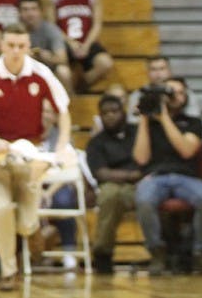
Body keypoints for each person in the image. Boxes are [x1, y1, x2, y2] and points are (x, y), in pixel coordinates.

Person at [0, 23, 72, 291]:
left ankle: (34, 233)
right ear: (2, 46)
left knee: (27, 220)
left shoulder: (41, 74)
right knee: (0, 210)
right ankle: (9, 271)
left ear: (28, 46)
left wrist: (60, 148)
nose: (16, 51)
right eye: (11, 46)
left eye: (21, 46)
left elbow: (64, 111)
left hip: (30, 155)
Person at [132, 77, 202, 275]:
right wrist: (145, 119)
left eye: (180, 92)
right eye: (170, 91)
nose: (175, 96)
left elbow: (186, 151)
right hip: (155, 176)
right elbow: (141, 158)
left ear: (186, 97)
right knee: (143, 199)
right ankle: (157, 253)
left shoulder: (193, 123)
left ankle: (201, 253)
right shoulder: (149, 124)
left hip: (186, 177)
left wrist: (164, 118)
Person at [44, 0, 114, 89]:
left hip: (86, 41)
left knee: (106, 63)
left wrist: (86, 45)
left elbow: (97, 24)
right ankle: (70, 99)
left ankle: (80, 86)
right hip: (64, 42)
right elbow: (52, 27)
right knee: (62, 72)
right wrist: (70, 43)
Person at [86, 93, 140, 274]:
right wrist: (131, 175)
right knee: (110, 195)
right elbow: (101, 172)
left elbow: (147, 163)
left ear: (123, 112)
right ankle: (102, 253)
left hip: (139, 185)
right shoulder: (96, 142)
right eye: (105, 113)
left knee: (151, 194)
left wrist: (136, 176)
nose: (110, 116)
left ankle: (165, 250)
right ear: (100, 116)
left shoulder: (138, 133)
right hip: (111, 185)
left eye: (114, 111)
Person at [19, 0, 74, 94]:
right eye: (25, 10)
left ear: (41, 12)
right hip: (22, 70)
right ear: (19, 13)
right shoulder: (13, 31)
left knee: (64, 71)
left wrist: (48, 57)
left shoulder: (51, 29)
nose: (30, 14)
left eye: (33, 9)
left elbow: (62, 58)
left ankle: (68, 107)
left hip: (48, 71)